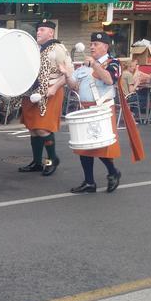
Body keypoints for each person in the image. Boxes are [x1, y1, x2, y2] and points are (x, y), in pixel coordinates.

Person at [61, 32, 122, 194]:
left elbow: (109, 80)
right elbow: (74, 86)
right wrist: (67, 75)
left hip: (102, 108)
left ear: (106, 47)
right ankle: (89, 182)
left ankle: (113, 171)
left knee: (100, 144)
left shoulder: (113, 63)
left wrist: (94, 65)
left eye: (96, 44)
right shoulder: (84, 66)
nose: (92, 47)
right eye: (92, 44)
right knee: (84, 144)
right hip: (85, 107)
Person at [19, 20, 69, 177]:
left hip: (50, 92)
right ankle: (37, 162)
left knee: (43, 128)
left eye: (42, 29)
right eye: (38, 30)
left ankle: (51, 160)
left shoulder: (58, 48)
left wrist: (54, 88)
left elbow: (69, 72)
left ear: (51, 33)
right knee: (33, 129)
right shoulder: (35, 48)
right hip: (33, 92)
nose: (38, 32)